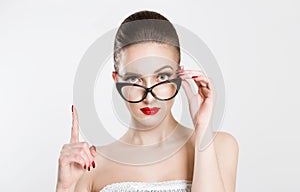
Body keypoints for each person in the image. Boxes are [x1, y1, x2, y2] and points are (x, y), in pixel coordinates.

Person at [56, 10, 239, 192]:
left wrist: (203, 129)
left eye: (162, 76)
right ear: (117, 80)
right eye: (135, 79)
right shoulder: (91, 164)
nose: (149, 97)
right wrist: (65, 188)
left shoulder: (220, 147)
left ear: (179, 75)